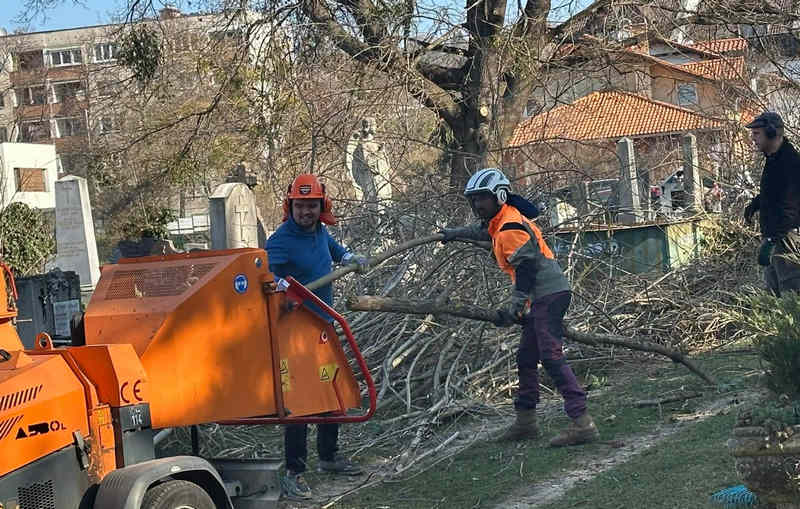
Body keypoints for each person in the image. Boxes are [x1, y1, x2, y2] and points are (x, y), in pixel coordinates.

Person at [440, 168, 598, 447]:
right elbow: (481, 231)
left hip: (548, 294)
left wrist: (515, 307)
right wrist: (453, 234)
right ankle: (526, 423)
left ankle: (582, 423)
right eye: (473, 199)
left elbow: (526, 270)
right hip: (542, 296)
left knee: (550, 356)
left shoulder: (510, 226)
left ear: (500, 196)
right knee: (526, 357)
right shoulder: (501, 220)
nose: (477, 204)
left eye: (482, 198)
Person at [265, 174, 369, 500]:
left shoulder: (320, 231)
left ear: (322, 206)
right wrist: (283, 289)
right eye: (300, 205)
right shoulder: (280, 240)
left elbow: (333, 249)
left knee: (330, 392)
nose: (306, 212)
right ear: (290, 206)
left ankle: (329, 456)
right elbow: (265, 276)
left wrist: (349, 258)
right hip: (295, 333)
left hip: (323, 326)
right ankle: (294, 471)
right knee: (299, 403)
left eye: (311, 205)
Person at [743, 112, 800, 296]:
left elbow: (791, 208)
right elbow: (774, 193)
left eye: (757, 133)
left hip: (786, 237)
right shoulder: (774, 159)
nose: (753, 138)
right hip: (776, 236)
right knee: (772, 294)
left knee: (791, 293)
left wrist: (772, 239)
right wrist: (755, 204)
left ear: (771, 132)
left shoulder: (790, 162)